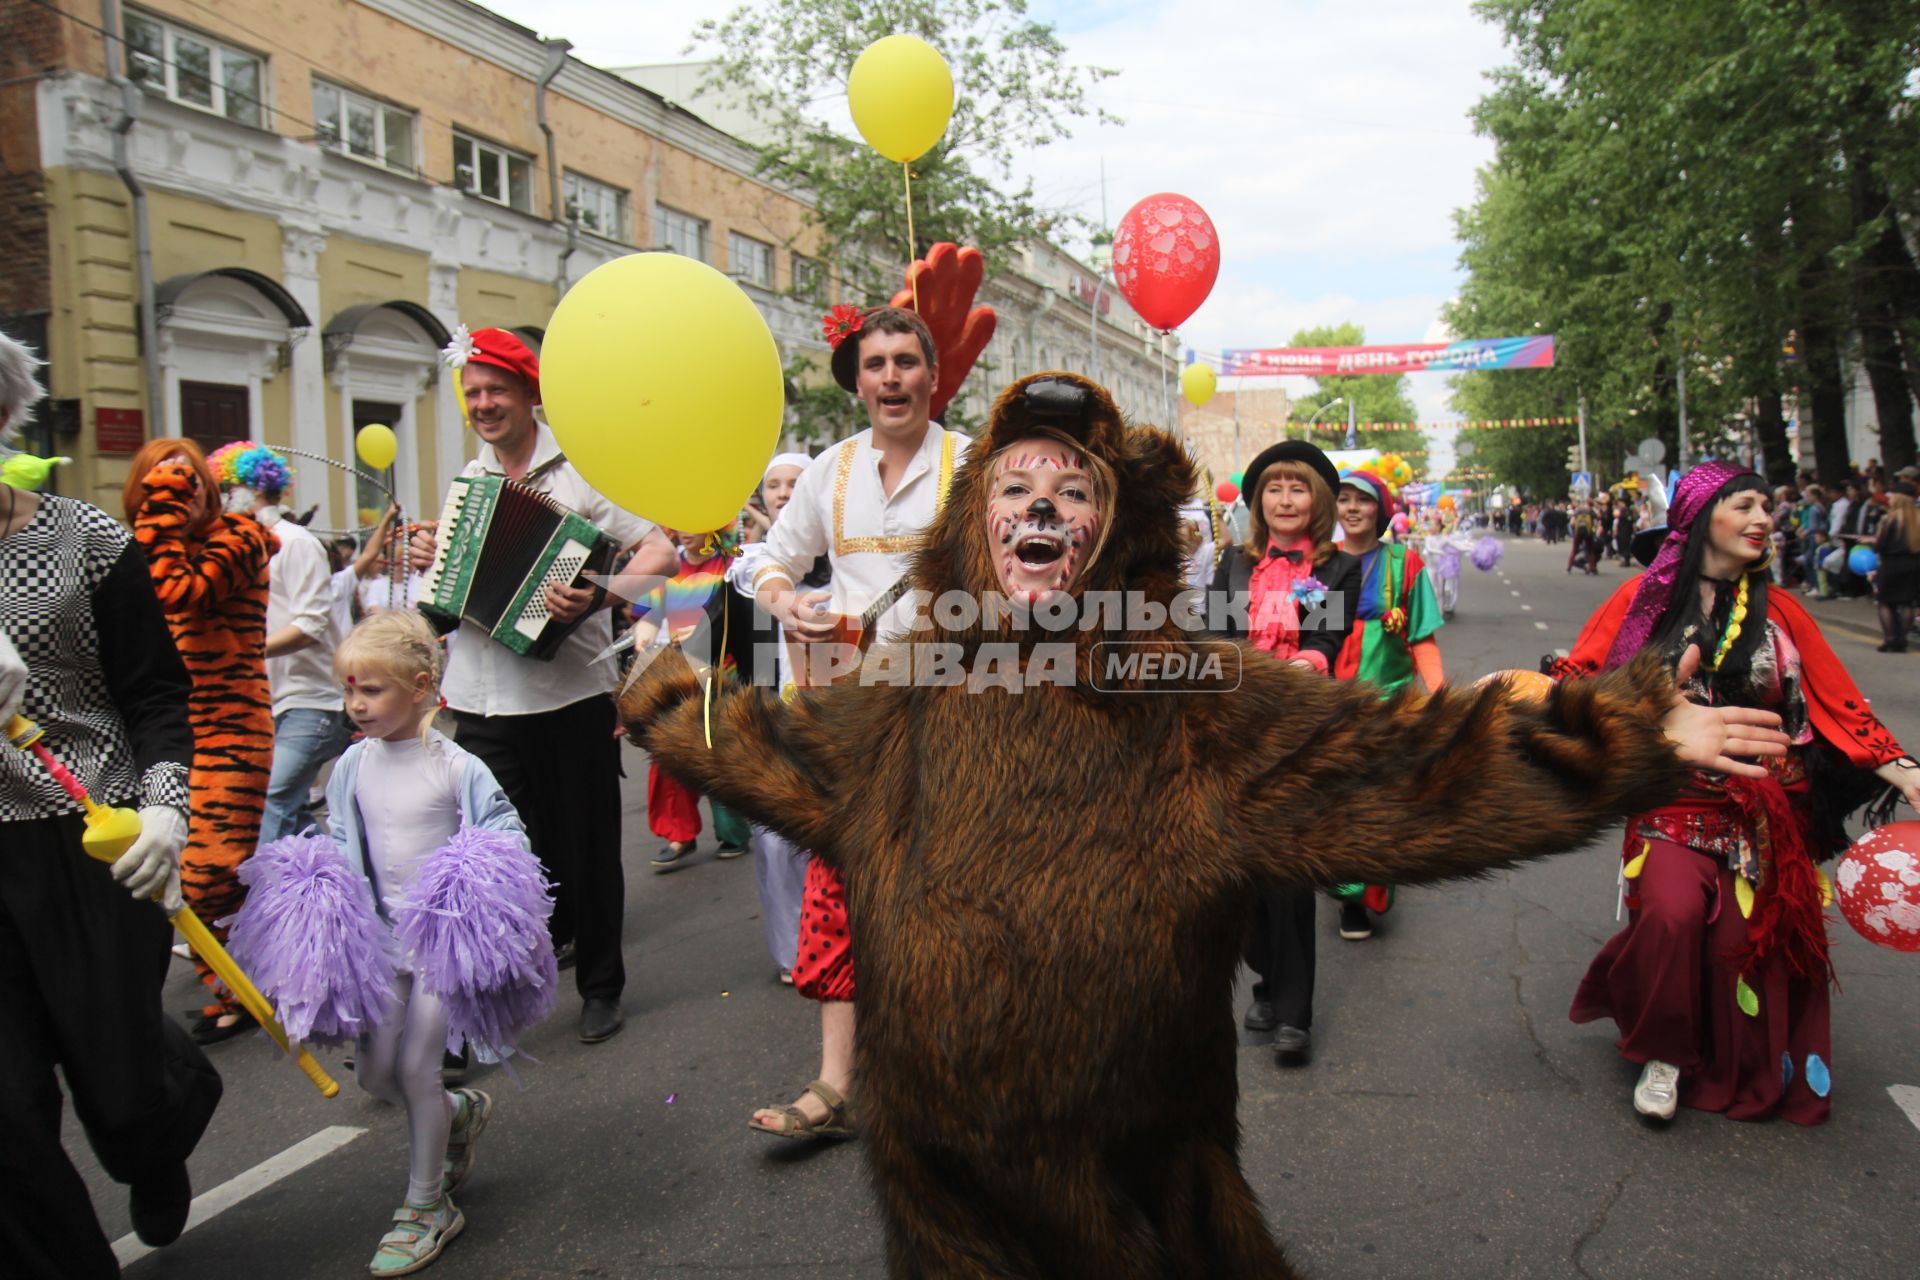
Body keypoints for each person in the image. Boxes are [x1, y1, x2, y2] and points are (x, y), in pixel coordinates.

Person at [621, 371, 1792, 1277]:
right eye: (1015, 487)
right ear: (972, 525)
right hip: (939, 1187)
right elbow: (762, 744)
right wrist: (661, 678)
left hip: (1139, 1183)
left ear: (1117, 535)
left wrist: (1626, 733)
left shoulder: (1191, 692)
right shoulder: (906, 697)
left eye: (1074, 489)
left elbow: (1406, 764)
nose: (1040, 505)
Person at [1554, 462, 1920, 1124]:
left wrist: (1908, 774)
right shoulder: (1643, 601)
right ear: (1699, 520)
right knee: (1671, 915)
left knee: (1735, 951)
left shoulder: (1782, 613)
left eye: (1765, 508)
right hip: (1674, 798)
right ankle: (1663, 1052)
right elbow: (1573, 685)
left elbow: (1840, 707)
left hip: (1766, 808)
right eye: (1744, 506)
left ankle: (1718, 1055)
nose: (1762, 519)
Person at [1, 332, 222, 1276]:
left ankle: (159, 1118)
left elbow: (157, 697)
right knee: (5, 1116)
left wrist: (167, 812)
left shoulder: (84, 538)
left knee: (119, 1082)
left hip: (93, 834)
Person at [234, 610, 538, 1273]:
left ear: (422, 685)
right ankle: (456, 1114)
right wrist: (321, 901)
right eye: (348, 689)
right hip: (381, 948)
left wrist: (470, 896)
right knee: (377, 1075)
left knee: (414, 1070)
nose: (355, 704)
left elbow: (505, 837)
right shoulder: (349, 766)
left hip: (438, 947)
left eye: (370, 690)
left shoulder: (456, 766)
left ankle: (428, 1205)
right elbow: (343, 843)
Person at [409, 327, 674, 1044]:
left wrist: (602, 593)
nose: (484, 404)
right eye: (473, 394)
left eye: (496, 390)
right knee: (500, 850)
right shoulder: (471, 481)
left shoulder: (583, 470)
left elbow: (661, 549)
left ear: (530, 396)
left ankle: (600, 985)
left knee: (586, 846)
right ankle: (501, 988)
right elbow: (448, 590)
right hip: (478, 695)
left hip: (568, 695)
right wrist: (431, 553)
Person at [742, 305, 969, 1137]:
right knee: (836, 891)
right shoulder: (829, 471)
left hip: (953, 715)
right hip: (848, 716)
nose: (891, 378)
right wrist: (785, 600)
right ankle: (839, 1083)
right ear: (858, 380)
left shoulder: (972, 467)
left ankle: (948, 1075)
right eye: (875, 365)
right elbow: (767, 559)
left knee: (946, 894)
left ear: (933, 375)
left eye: (906, 361)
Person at [1208, 440, 1362, 1062]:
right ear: (1258, 501)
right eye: (1275, 489)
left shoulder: (1337, 570)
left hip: (1299, 730)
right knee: (1242, 874)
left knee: (1291, 872)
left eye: (1298, 489)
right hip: (1239, 732)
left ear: (1317, 501)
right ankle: (1267, 982)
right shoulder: (1233, 565)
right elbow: (1217, 637)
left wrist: (1299, 665)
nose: (1286, 499)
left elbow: (1327, 637)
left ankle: (1294, 1011)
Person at [122, 437, 277, 1044]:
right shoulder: (152, 552)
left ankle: (262, 978)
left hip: (233, 727)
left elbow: (178, 591)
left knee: (208, 873)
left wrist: (164, 505)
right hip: (171, 734)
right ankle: (243, 984)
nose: (171, 496)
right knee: (182, 878)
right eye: (156, 486)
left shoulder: (239, 537)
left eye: (183, 483)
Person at [208, 443, 356, 844]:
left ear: (255, 490)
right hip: (264, 703)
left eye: (227, 487)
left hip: (314, 701)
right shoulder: (232, 548)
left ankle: (261, 897)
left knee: (269, 798)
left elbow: (310, 623)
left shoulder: (296, 543)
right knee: (291, 823)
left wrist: (247, 651)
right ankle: (331, 886)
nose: (220, 497)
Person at [1329, 468, 1446, 940]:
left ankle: (1374, 886)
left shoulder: (1406, 562)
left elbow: (1422, 638)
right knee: (1339, 798)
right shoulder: (1321, 561)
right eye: (1343, 499)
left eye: (1363, 500)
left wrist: (1441, 697)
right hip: (1331, 702)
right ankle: (1349, 898)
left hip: (1389, 703)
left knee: (1381, 798)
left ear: (1380, 509)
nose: (1352, 508)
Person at [727, 452, 822, 983]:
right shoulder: (743, 571)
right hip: (772, 717)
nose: (785, 492)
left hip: (837, 717)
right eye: (774, 484)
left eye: (797, 483)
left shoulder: (842, 559)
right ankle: (793, 953)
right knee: (775, 838)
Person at [641, 525, 753, 869]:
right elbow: (649, 616)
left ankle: (733, 833)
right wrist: (642, 643)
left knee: (720, 755)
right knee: (667, 758)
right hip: (678, 678)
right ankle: (678, 834)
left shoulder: (731, 566)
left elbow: (745, 617)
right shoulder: (667, 570)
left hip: (723, 677)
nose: (682, 532)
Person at [1870, 491, 1919, 652]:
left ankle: (1890, 639)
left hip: (1892, 564)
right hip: (1913, 565)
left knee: (1885, 601)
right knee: (1907, 602)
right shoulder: (1916, 519)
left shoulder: (1890, 519)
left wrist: (1874, 541)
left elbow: (1880, 545)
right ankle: (1903, 639)